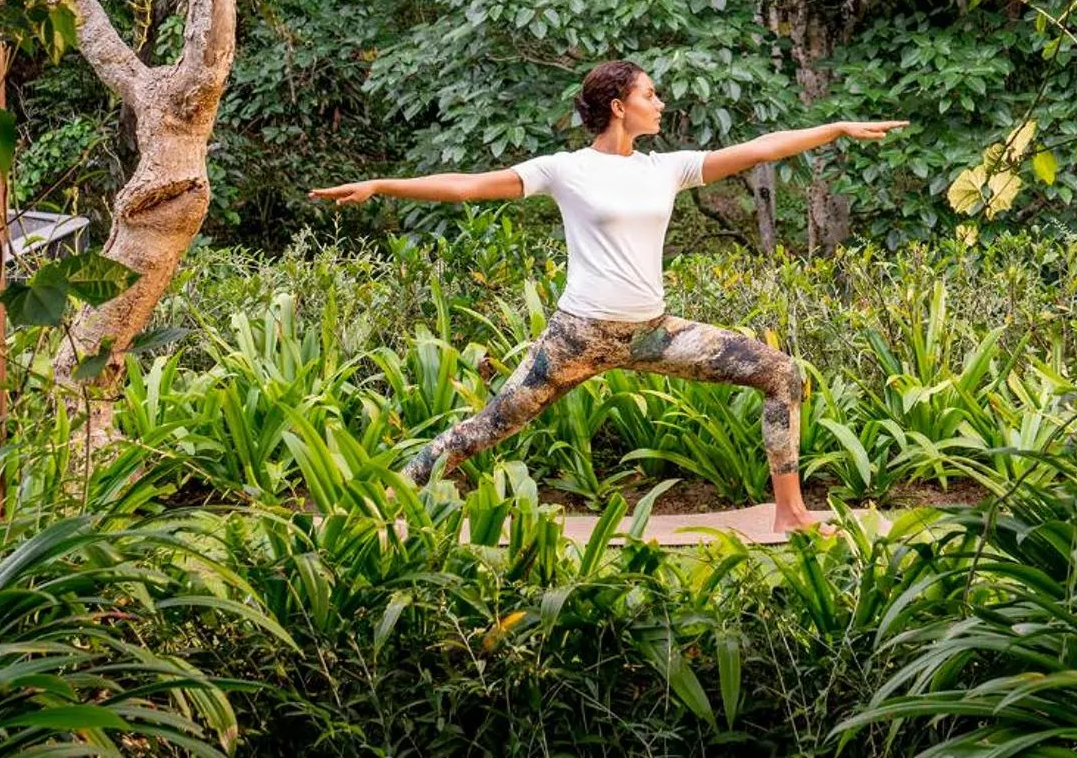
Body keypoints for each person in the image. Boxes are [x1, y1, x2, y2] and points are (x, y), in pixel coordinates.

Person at [310, 58, 906, 535]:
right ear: (620, 107)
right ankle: (377, 500)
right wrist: (381, 184)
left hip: (653, 332)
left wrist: (835, 128)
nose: (661, 103)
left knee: (780, 373)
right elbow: (468, 186)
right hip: (580, 336)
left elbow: (761, 148)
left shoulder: (666, 167)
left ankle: (792, 512)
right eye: (652, 95)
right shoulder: (564, 169)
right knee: (488, 427)